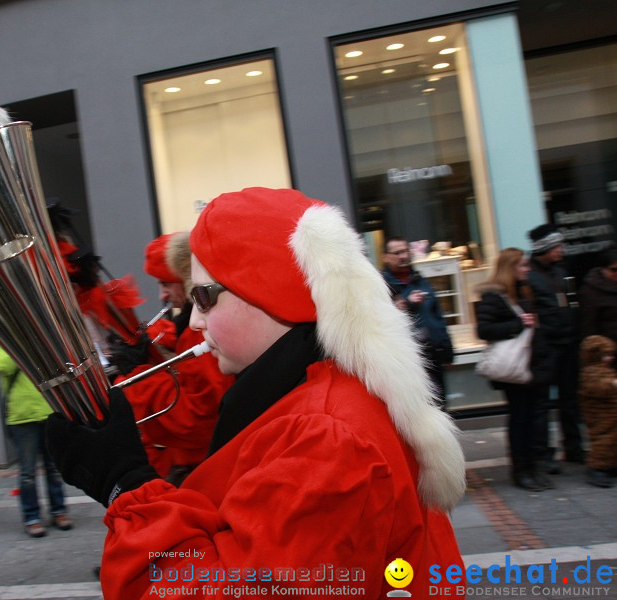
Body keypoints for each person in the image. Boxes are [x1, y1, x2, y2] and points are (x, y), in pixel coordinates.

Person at [47, 188, 466, 599]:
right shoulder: (319, 398)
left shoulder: (327, 439)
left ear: (268, 289)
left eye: (205, 296)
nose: (194, 319)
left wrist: (128, 488)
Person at [112, 232, 234, 484]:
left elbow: (198, 420)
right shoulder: (187, 330)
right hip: (194, 463)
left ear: (185, 279)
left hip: (206, 468)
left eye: (165, 284)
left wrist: (139, 375)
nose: (162, 296)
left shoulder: (200, 334)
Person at [474, 248, 552, 491]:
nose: (527, 270)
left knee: (531, 418)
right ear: (510, 268)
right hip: (513, 369)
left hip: (532, 364)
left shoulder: (523, 291)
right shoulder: (494, 296)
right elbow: (484, 330)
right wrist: (517, 324)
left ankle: (531, 467)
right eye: (522, 266)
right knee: (520, 418)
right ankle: (521, 471)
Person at [0, 342, 72, 538]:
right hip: (21, 417)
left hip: (47, 411)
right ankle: (31, 517)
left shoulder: (36, 341)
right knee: (28, 473)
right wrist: (20, 345)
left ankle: (58, 511)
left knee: (53, 468)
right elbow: (2, 365)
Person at [526, 224, 584, 472]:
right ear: (545, 248)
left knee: (569, 400)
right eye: (557, 246)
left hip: (567, 345)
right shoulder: (528, 275)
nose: (561, 250)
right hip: (546, 347)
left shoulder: (560, 271)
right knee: (541, 404)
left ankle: (574, 447)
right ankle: (543, 455)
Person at [381, 237, 454, 407]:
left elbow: (437, 317)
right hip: (408, 360)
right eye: (397, 253)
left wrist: (447, 349)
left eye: (405, 251)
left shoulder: (421, 281)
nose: (403, 256)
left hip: (433, 354)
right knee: (420, 408)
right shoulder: (382, 286)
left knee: (440, 406)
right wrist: (407, 304)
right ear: (386, 256)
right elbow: (381, 320)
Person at [577, 335, 617, 488]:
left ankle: (609, 465)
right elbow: (597, 387)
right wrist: (612, 384)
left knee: (612, 442)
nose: (609, 358)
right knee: (602, 442)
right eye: (606, 355)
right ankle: (597, 468)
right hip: (599, 417)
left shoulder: (605, 370)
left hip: (610, 415)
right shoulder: (591, 372)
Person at [578, 249, 617, 342]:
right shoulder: (589, 292)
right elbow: (588, 327)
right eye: (614, 270)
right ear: (602, 269)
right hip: (608, 349)